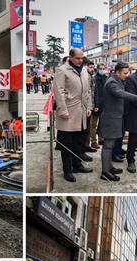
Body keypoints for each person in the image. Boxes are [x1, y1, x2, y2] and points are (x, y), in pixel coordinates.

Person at [99, 62, 137, 181]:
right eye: (125, 73)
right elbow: (122, 94)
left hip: (116, 118)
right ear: (117, 72)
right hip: (110, 119)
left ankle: (109, 167)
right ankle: (105, 172)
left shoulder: (118, 80)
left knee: (111, 144)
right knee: (108, 146)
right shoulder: (112, 82)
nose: (127, 75)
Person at [53, 48, 94, 182]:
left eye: (82, 58)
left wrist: (89, 107)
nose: (80, 61)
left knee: (79, 142)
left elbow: (87, 91)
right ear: (70, 57)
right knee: (67, 144)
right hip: (68, 112)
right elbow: (58, 91)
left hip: (82, 112)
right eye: (78, 58)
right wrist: (63, 110)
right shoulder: (62, 70)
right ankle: (67, 170)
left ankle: (77, 165)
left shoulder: (83, 70)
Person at [91, 63, 108, 148]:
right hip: (96, 103)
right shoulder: (94, 78)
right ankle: (93, 141)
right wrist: (95, 105)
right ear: (97, 69)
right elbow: (94, 93)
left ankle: (101, 139)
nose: (102, 70)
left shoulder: (106, 78)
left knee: (103, 123)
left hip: (104, 104)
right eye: (100, 68)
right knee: (93, 124)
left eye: (103, 68)